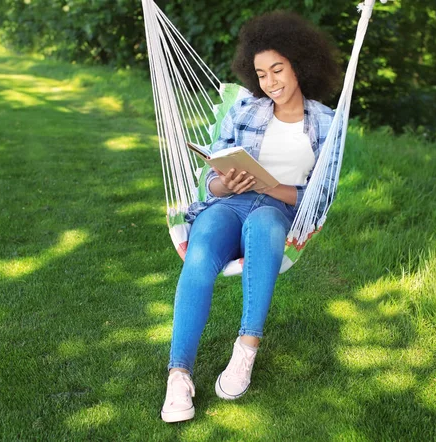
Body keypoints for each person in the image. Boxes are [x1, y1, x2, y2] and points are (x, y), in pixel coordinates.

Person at [161, 10, 341, 423]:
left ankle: (246, 347)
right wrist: (225, 183)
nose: (270, 82)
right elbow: (212, 178)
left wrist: (267, 187)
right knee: (200, 252)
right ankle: (179, 374)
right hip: (229, 203)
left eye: (278, 69)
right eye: (261, 74)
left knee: (263, 226)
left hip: (278, 210)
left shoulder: (328, 123)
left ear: (300, 64)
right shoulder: (245, 108)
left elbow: (321, 194)